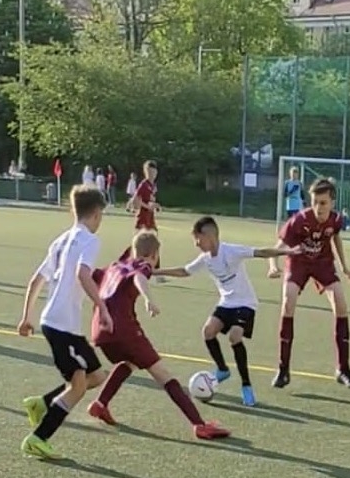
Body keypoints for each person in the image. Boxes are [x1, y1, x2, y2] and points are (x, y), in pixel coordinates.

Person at [86, 229, 231, 439]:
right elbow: (139, 277)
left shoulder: (114, 266)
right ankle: (199, 425)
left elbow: (91, 277)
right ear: (154, 255)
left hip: (99, 330)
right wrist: (148, 298)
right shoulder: (142, 265)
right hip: (123, 329)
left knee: (130, 362)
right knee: (163, 374)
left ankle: (100, 404)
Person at [156, 217, 300, 406]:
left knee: (234, 336)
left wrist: (287, 251)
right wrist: (155, 272)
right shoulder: (205, 258)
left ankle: (246, 386)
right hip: (227, 303)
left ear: (210, 236)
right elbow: (184, 271)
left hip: (246, 303)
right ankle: (222, 370)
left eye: (198, 239)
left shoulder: (231, 251)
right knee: (208, 331)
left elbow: (260, 252)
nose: (196, 244)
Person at [17, 185, 111, 460]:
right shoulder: (90, 241)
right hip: (62, 325)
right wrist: (102, 306)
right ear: (96, 213)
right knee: (79, 386)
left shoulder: (60, 241)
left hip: (57, 323)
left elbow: (36, 280)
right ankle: (38, 438)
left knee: (96, 376)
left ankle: (41, 403)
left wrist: (26, 317)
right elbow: (83, 274)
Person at [267, 178, 350, 389]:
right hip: (298, 262)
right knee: (288, 301)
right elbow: (278, 246)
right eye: (315, 202)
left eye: (323, 202)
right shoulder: (299, 220)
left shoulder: (335, 219)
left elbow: (335, 238)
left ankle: (343, 369)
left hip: (323, 263)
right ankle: (283, 369)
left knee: (341, 303)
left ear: (332, 202)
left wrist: (344, 266)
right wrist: (273, 265)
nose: (318, 207)